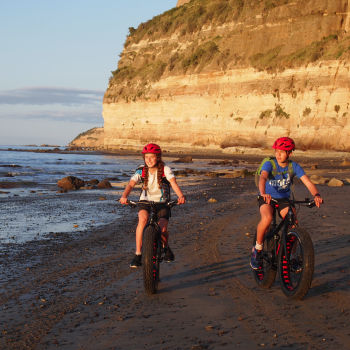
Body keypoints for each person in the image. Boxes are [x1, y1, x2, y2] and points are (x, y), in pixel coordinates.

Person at [250, 136, 324, 270]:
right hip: (267, 197)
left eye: (282, 152)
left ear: (289, 153)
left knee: (294, 224)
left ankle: (292, 256)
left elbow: (307, 182)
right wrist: (262, 193)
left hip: (284, 199)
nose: (278, 154)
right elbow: (263, 177)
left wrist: (316, 195)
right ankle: (257, 249)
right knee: (267, 218)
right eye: (276, 151)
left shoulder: (293, 166)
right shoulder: (270, 164)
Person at [120, 143, 186, 268]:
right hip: (145, 201)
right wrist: (124, 196)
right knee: (142, 220)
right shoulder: (141, 170)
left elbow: (173, 183)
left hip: (163, 202)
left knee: (162, 229)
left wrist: (180, 196)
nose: (149, 160)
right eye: (146, 157)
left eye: (152, 157)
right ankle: (138, 254)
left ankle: (165, 248)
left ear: (158, 157)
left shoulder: (166, 169)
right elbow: (131, 184)